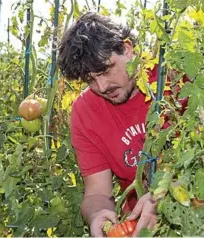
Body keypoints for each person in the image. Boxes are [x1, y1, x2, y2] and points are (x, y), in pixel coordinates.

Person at [57, 12, 188, 237]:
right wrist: (97, 215)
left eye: (106, 70)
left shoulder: (176, 81)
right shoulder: (85, 112)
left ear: (127, 49)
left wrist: (167, 198)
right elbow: (97, 192)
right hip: (138, 225)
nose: (101, 86)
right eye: (90, 80)